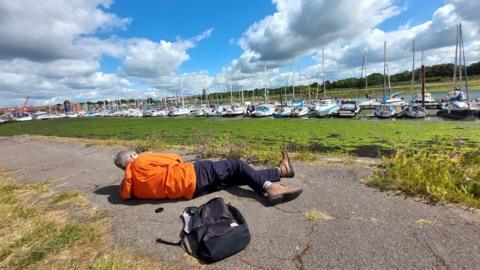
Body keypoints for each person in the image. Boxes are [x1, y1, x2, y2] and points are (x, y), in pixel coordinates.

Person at [114, 150, 302, 205]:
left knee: (234, 175)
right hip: (193, 175)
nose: (137, 154)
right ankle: (271, 187)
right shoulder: (141, 161)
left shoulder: (131, 188)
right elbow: (175, 159)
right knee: (236, 164)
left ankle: (280, 171)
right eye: (135, 153)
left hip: (191, 191)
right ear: (131, 158)